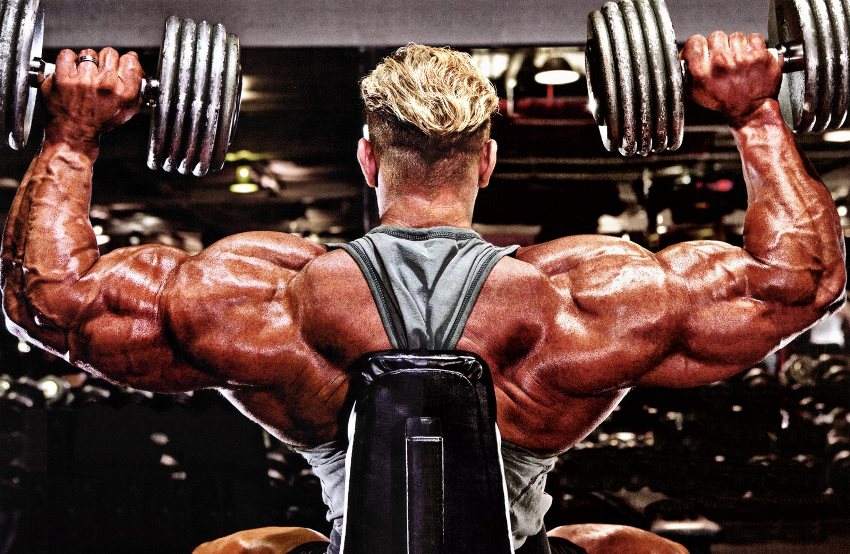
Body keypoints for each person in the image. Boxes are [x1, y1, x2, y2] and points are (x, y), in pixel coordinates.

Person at [1, 29, 845, 554]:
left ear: (369, 163)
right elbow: (798, 285)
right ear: (487, 163)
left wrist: (73, 134)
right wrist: (756, 112)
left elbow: (52, 301)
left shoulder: (263, 300)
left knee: (245, 549)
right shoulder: (587, 301)